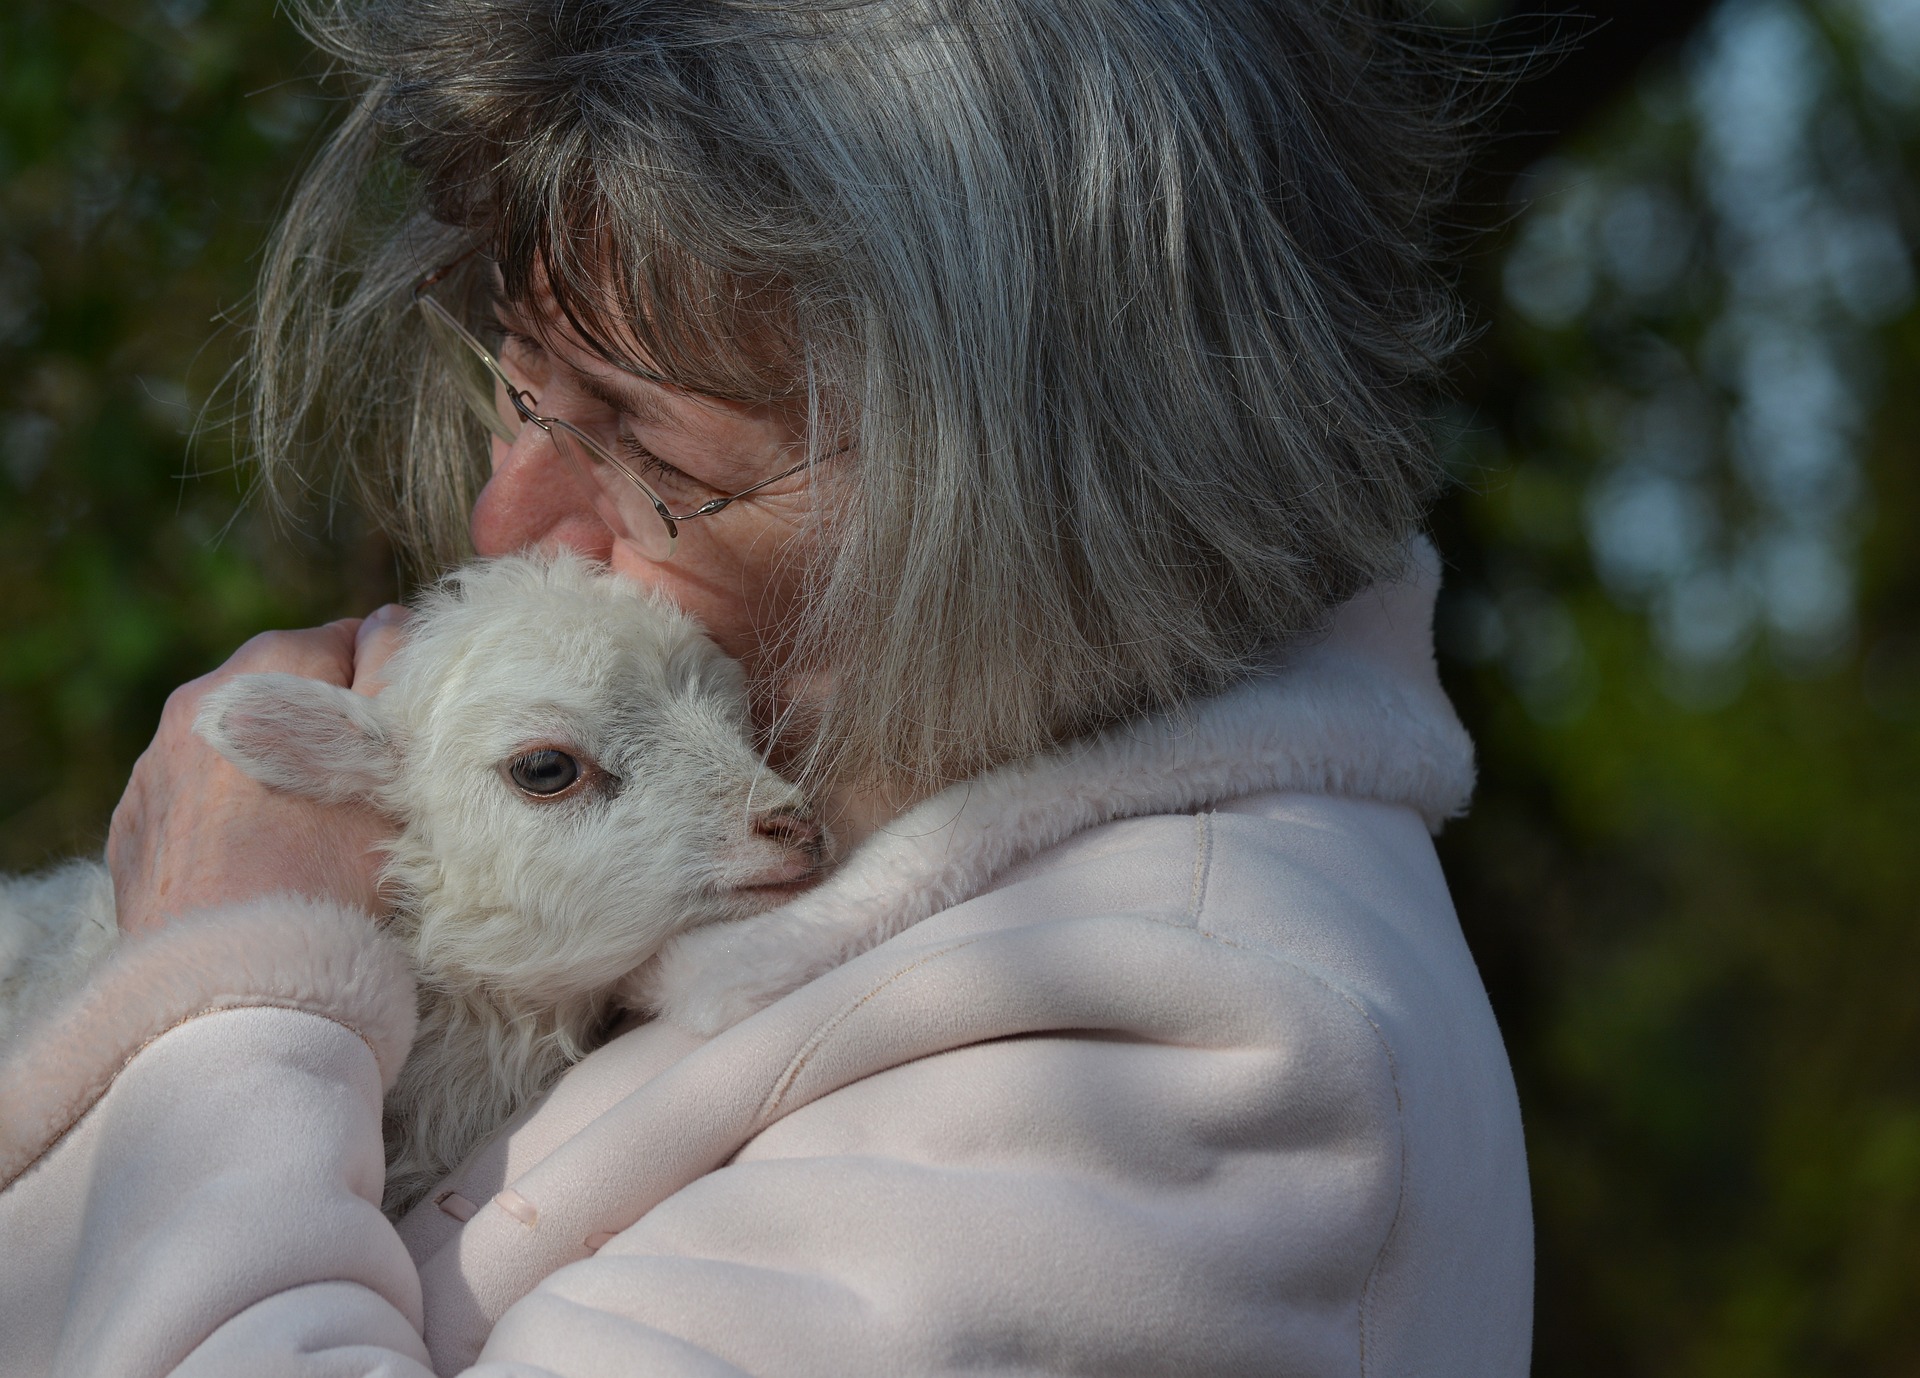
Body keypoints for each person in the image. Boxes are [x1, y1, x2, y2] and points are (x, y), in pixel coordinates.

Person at [0, 0, 1532, 1372]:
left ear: (1028, 491)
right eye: (514, 387)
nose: (512, 522)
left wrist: (229, 1008)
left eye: (650, 449)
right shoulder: (856, 874)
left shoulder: (1189, 1071)